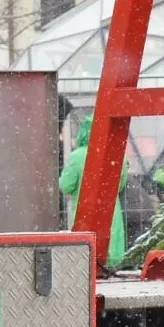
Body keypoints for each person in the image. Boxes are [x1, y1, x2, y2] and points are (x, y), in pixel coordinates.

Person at [58, 114, 128, 268]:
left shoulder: (77, 156)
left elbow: (66, 185)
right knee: (112, 251)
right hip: (112, 212)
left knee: (87, 258)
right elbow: (120, 185)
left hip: (84, 211)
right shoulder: (118, 153)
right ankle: (110, 267)